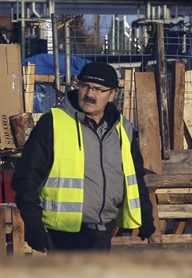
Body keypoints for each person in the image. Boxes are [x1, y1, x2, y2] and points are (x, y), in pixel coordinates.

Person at [12, 61, 156, 252]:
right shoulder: (54, 123)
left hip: (104, 229)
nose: (89, 94)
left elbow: (135, 177)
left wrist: (146, 215)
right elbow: (26, 177)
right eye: (85, 86)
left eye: (98, 89)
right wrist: (34, 225)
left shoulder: (123, 129)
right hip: (63, 235)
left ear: (112, 94)